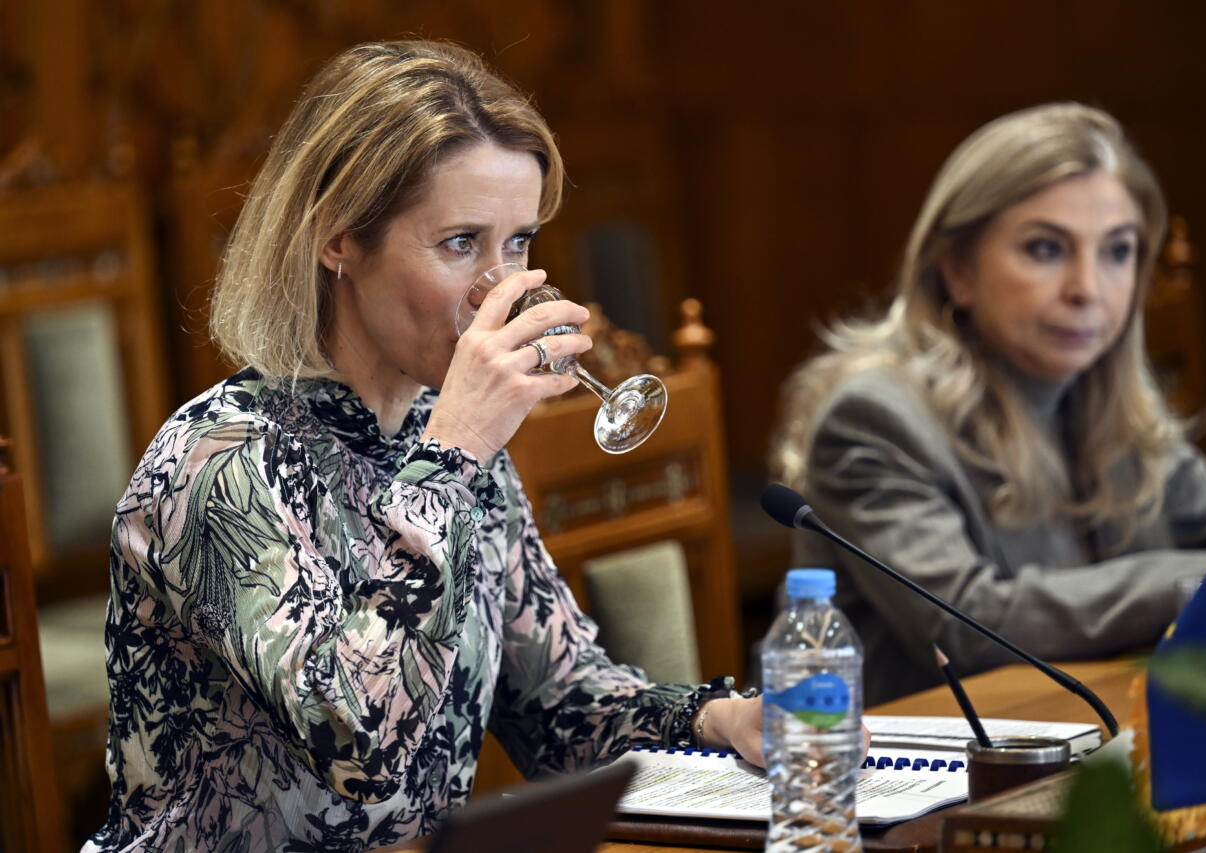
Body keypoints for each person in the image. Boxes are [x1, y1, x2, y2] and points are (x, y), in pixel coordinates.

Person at [86, 40, 761, 853]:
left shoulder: (450, 438)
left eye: (518, 243)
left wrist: (717, 716)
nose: (498, 291)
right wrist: (454, 456)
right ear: (338, 237)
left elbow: (561, 709)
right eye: (460, 243)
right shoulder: (219, 461)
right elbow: (359, 748)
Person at [772, 103, 1206, 707]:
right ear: (958, 271)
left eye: (1117, 251)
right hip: (903, 755)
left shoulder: (1103, 397)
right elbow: (968, 622)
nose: (1088, 289)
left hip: (1086, 728)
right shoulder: (874, 421)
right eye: (1046, 249)